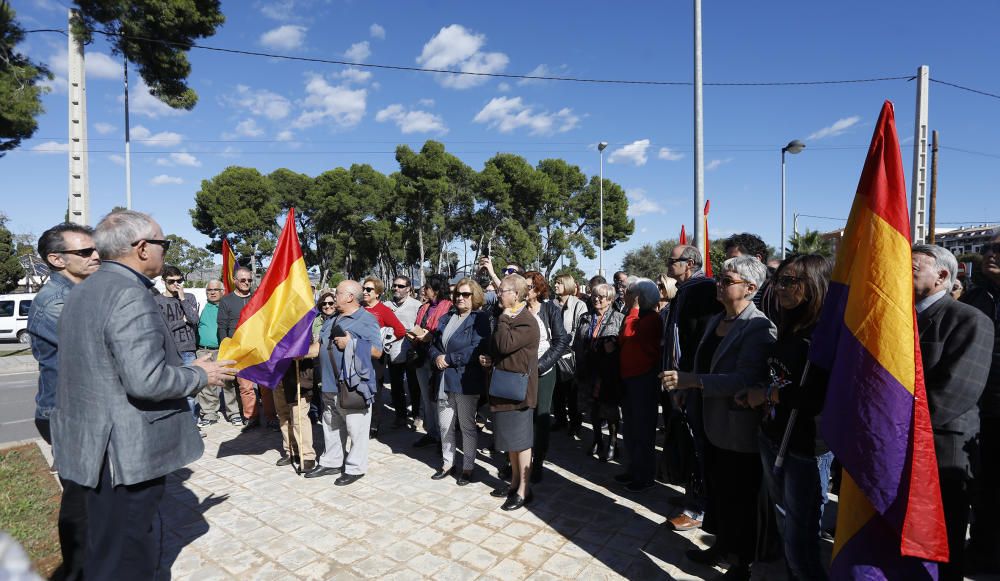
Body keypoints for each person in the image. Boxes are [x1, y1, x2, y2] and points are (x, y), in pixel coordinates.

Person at [51, 210, 234, 579]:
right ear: (141, 248)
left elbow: (106, 366)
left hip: (94, 449)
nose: (166, 251)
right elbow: (146, 380)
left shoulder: (83, 290)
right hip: (125, 454)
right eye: (163, 244)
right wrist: (199, 373)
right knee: (128, 556)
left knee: (104, 549)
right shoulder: (129, 294)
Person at [662, 255, 776, 580]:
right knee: (717, 491)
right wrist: (689, 385)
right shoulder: (718, 319)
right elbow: (703, 363)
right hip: (709, 424)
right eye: (720, 279)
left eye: (727, 281)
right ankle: (720, 545)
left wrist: (693, 382)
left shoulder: (758, 327)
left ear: (750, 288)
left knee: (738, 498)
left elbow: (745, 380)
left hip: (737, 431)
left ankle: (740, 565)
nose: (719, 285)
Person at [737, 254, 833, 581]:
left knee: (801, 540)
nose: (778, 288)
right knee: (783, 523)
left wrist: (766, 395)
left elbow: (819, 398)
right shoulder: (791, 324)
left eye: (789, 281)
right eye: (778, 279)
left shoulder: (825, 336)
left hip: (805, 447)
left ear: (814, 285)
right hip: (774, 435)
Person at [912, 244, 994, 581]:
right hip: (901, 442)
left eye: (912, 268)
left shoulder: (969, 320)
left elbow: (955, 392)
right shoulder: (902, 319)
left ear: (942, 276)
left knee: (940, 540)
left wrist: (898, 426)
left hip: (942, 446)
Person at [26, 222, 100, 581]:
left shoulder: (83, 294)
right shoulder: (55, 303)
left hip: (86, 410)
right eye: (85, 252)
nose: (96, 255)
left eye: (95, 248)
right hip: (67, 414)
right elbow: (102, 350)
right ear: (56, 259)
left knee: (98, 498)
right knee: (82, 501)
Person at [661, 244, 724, 531]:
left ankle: (699, 508)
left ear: (689, 264)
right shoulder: (684, 291)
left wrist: (685, 383)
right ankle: (691, 496)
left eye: (672, 261)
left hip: (691, 382)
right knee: (688, 444)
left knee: (698, 447)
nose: (668, 265)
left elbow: (696, 341)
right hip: (678, 379)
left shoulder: (702, 291)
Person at [305, 280, 383, 485]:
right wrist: (297, 353)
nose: (333, 295)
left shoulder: (366, 320)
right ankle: (331, 462)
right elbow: (319, 346)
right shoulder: (332, 319)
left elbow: (377, 351)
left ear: (349, 297)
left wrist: (352, 343)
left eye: (337, 293)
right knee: (331, 425)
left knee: (356, 428)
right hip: (329, 384)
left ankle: (356, 467)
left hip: (353, 386)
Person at [480, 274, 539, 510]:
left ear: (516, 294)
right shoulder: (510, 318)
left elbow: (505, 344)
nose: (498, 293)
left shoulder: (525, 320)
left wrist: (503, 318)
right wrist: (489, 360)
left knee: (522, 443)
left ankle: (524, 490)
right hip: (504, 388)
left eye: (503, 290)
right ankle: (514, 483)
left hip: (519, 392)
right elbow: (502, 351)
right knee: (512, 444)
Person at [428, 279, 491, 485]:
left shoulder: (480, 318)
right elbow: (434, 343)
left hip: (465, 381)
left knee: (466, 426)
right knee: (445, 426)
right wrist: (437, 355)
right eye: (457, 295)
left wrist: (449, 359)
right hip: (443, 380)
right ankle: (448, 463)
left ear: (475, 296)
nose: (460, 298)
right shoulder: (447, 318)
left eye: (465, 294)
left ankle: (468, 467)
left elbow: (477, 348)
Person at [963, 231, 1000, 574]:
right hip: (976, 409)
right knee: (982, 488)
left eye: (998, 249)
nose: (990, 254)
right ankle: (982, 551)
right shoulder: (976, 297)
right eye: (988, 248)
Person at [614, 280, 664, 493]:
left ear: (639, 298)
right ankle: (633, 468)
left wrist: (633, 308)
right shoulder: (637, 316)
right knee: (631, 428)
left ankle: (645, 475)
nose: (624, 296)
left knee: (643, 431)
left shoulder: (652, 318)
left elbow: (627, 334)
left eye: (630, 294)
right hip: (630, 378)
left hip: (643, 380)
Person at [521, 271, 571, 483]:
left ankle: (538, 462)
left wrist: (541, 366)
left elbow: (561, 341)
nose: (526, 290)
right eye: (524, 286)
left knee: (540, 418)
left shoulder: (550, 309)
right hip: (519, 372)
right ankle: (517, 462)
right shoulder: (517, 310)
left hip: (544, 371)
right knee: (521, 417)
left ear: (539, 289)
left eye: (530, 287)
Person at [219, 267, 274, 430]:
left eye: (249, 280)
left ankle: (271, 417)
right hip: (239, 352)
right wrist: (228, 349)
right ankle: (251, 417)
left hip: (259, 349)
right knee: (246, 387)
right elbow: (222, 327)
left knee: (265, 386)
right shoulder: (226, 300)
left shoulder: (259, 298)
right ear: (234, 280)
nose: (246, 283)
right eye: (242, 280)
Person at [575, 283, 625, 462]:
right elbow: (577, 343)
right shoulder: (585, 317)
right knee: (592, 408)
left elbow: (624, 347)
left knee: (610, 409)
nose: (596, 299)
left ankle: (613, 442)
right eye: (595, 295)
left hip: (608, 373)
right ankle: (597, 439)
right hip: (589, 370)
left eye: (601, 297)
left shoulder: (619, 318)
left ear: (610, 300)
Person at [409, 274, 453, 448]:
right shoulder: (424, 307)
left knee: (439, 399)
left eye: (427, 287)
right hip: (420, 356)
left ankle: (444, 438)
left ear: (435, 289)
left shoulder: (449, 308)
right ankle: (432, 432)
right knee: (426, 397)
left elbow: (446, 333)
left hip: (437, 358)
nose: (423, 290)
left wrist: (431, 337)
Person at [361, 276, 406, 437]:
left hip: (376, 358)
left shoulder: (384, 310)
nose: (364, 292)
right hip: (358, 356)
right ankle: (361, 421)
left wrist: (384, 341)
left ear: (378, 293)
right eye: (363, 288)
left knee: (374, 391)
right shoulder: (359, 308)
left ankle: (374, 425)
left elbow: (400, 331)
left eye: (369, 289)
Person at [155, 265, 200, 425]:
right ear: (163, 281)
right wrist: (182, 321)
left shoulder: (189, 297)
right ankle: (176, 424)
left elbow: (194, 320)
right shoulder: (157, 301)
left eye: (179, 280)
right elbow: (162, 327)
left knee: (190, 391)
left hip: (188, 350)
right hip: (168, 351)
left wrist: (182, 298)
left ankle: (191, 426)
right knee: (171, 391)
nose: (176, 284)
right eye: (171, 281)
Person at [194, 280, 240, 426]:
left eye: (215, 289)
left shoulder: (227, 306)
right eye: (209, 290)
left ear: (223, 291)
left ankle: (234, 413)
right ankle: (209, 414)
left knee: (227, 382)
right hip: (203, 350)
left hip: (223, 350)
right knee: (206, 384)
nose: (212, 292)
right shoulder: (199, 306)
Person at [384, 276, 422, 427]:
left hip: (411, 351)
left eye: (400, 286)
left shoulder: (417, 305)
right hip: (392, 351)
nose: (396, 288)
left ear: (408, 289)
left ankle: (417, 415)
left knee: (414, 385)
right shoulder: (386, 305)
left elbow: (420, 327)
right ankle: (400, 416)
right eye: (394, 285)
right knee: (396, 386)